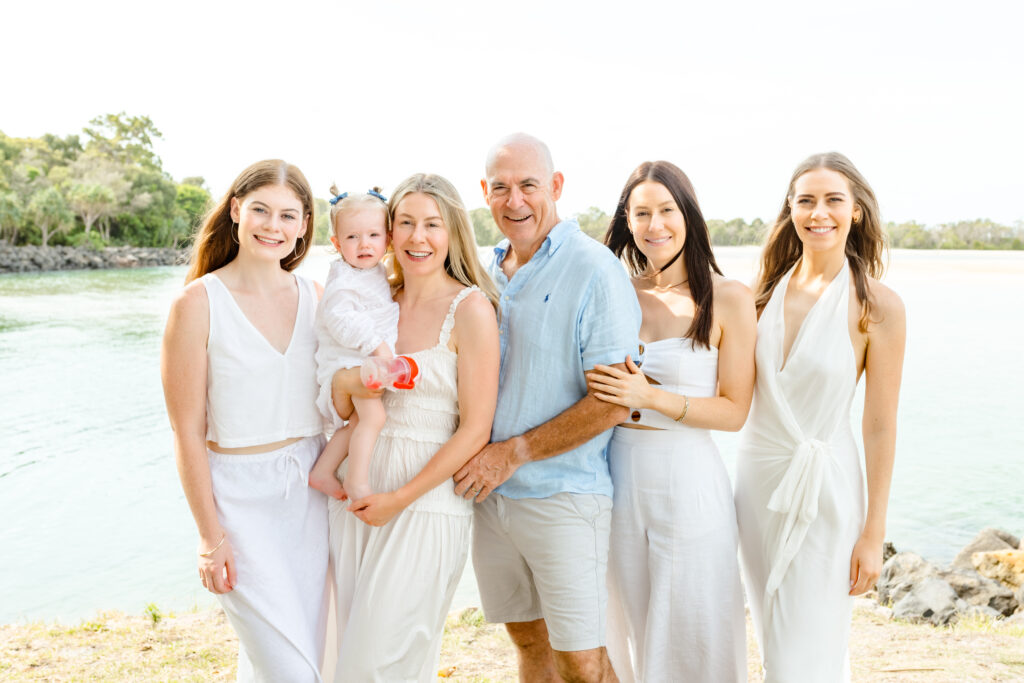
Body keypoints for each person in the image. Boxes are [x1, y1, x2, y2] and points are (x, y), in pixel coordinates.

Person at [453, 133, 641, 683]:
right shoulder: (483, 272)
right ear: (485, 193)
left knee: (581, 661)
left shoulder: (594, 269)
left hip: (564, 494)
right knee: (529, 642)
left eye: (529, 185)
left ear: (555, 186)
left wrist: (515, 452)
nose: (516, 202)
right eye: (502, 188)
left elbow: (612, 403)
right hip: (490, 498)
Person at [735, 152, 905, 682]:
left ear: (856, 212)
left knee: (804, 654)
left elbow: (879, 426)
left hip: (826, 493)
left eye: (834, 200)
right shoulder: (757, 297)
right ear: (790, 209)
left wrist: (873, 532)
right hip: (756, 486)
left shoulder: (878, 306)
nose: (819, 212)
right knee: (771, 638)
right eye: (805, 200)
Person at [326, 173, 500, 682]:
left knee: (378, 665)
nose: (417, 238)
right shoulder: (372, 302)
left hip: (425, 501)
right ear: (388, 230)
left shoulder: (470, 309)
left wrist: (400, 498)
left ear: (453, 233)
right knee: (343, 654)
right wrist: (345, 378)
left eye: (432, 224)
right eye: (405, 223)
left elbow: (475, 431)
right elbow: (340, 407)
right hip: (357, 495)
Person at [587, 160, 756, 682]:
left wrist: (651, 398)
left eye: (666, 210)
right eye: (641, 213)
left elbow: (734, 411)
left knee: (694, 625)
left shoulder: (728, 297)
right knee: (630, 622)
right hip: (616, 477)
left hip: (689, 481)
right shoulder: (614, 291)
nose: (654, 225)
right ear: (627, 221)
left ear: (689, 216)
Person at [161, 159, 330, 681]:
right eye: (260, 210)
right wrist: (211, 538)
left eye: (287, 215)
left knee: (311, 656)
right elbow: (186, 433)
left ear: (304, 225)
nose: (272, 226)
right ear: (236, 210)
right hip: (238, 504)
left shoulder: (317, 298)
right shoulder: (197, 303)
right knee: (289, 670)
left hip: (312, 501)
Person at [308, 186, 401, 502]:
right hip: (347, 360)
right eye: (352, 237)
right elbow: (343, 320)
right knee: (374, 418)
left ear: (387, 239)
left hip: (362, 359)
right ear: (336, 244)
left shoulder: (374, 272)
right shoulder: (343, 280)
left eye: (373, 235)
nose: (364, 244)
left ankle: (323, 471)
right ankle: (357, 483)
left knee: (360, 421)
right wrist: (379, 347)